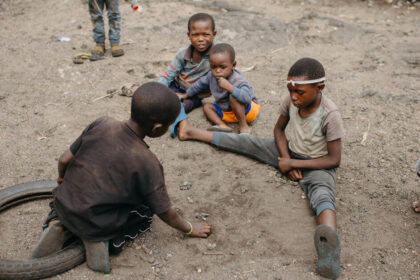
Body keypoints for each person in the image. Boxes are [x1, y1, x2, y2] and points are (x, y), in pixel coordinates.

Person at [177, 58, 343, 279]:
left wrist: (294, 164)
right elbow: (278, 130)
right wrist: (285, 158)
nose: (293, 96)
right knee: (245, 142)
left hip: (317, 164)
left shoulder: (330, 115)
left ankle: (328, 245)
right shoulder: (291, 101)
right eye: (290, 90)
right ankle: (192, 132)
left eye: (300, 93)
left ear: (319, 87)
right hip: (287, 152)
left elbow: (334, 159)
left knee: (322, 196)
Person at [32, 82, 211, 274]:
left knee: (68, 198)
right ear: (157, 128)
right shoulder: (148, 162)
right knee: (145, 215)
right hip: (98, 223)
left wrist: (61, 181)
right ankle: (100, 241)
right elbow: (165, 211)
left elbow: (64, 159)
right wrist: (190, 228)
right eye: (168, 125)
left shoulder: (102, 123)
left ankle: (56, 223)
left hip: (65, 204)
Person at [176, 43, 260, 134]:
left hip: (248, 112)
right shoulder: (211, 76)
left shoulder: (238, 79)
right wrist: (186, 95)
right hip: (227, 112)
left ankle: (244, 126)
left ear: (233, 65)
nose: (217, 70)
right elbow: (199, 85)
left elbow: (246, 98)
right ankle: (222, 125)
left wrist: (230, 88)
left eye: (222, 67)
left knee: (233, 97)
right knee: (207, 107)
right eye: (213, 67)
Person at [158, 13, 218, 113]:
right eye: (195, 35)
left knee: (181, 106)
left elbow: (226, 72)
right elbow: (168, 75)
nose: (200, 39)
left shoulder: (218, 53)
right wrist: (157, 89)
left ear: (214, 34)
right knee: (158, 98)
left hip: (194, 94)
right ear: (189, 35)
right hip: (176, 85)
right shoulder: (183, 53)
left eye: (205, 34)